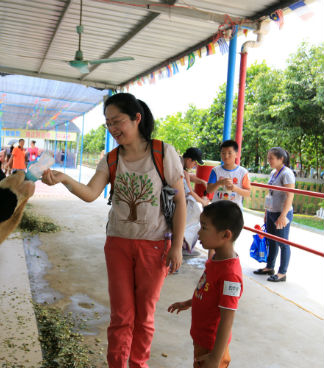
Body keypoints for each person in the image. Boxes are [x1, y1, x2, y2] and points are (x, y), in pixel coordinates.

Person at [42, 93, 186, 368]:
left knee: (144, 316)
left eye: (118, 121)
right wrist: (64, 179)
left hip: (155, 246)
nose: (113, 129)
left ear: (137, 118)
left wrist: (177, 246)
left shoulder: (163, 152)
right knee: (121, 316)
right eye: (108, 123)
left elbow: (180, 202)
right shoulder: (111, 159)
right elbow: (90, 193)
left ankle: (138, 364)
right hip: (118, 244)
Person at [168, 200, 244, 368]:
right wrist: (190, 302)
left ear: (226, 235)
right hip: (202, 340)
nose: (199, 233)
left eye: (204, 227)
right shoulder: (216, 260)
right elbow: (209, 291)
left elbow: (227, 320)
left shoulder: (230, 275)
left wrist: (215, 359)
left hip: (212, 347)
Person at [253, 147, 295, 282]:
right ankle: (270, 267)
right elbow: (270, 193)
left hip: (281, 213)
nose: (268, 160)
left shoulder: (287, 173)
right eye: (268, 158)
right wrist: (266, 212)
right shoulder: (273, 172)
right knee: (271, 240)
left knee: (283, 242)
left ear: (281, 159)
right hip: (271, 211)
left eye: (271, 158)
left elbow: (290, 196)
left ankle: (282, 272)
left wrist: (283, 216)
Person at [206, 140, 251, 259]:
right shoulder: (216, 171)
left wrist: (234, 188)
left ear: (236, 154)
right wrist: (219, 183)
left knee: (229, 241)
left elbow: (247, 193)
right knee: (212, 240)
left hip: (233, 213)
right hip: (216, 211)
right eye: (223, 153)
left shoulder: (242, 172)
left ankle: (225, 266)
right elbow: (209, 190)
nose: (226, 156)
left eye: (229, 153)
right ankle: (210, 266)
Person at [182, 147, 208, 256]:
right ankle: (183, 244)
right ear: (189, 160)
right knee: (196, 217)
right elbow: (190, 192)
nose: (194, 166)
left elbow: (189, 176)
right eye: (194, 163)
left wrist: (201, 181)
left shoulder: (179, 163)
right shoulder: (180, 168)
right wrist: (203, 202)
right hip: (177, 200)